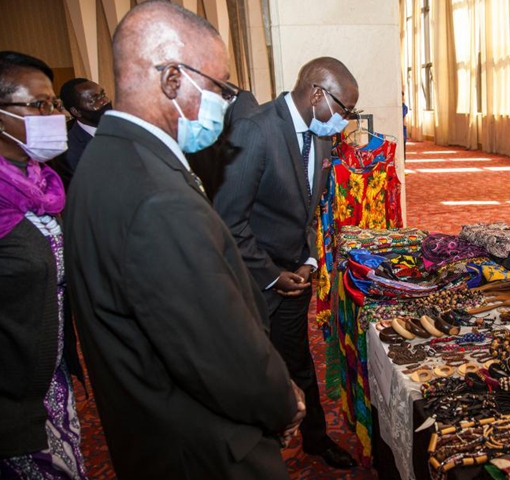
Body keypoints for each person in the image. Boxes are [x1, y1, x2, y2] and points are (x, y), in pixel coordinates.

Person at [63, 3, 303, 479]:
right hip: (205, 451)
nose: (226, 104)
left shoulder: (107, 160)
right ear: (174, 79)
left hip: (150, 428)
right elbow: (217, 350)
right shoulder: (156, 197)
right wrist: (281, 401)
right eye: (220, 88)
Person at [214, 57, 358, 469]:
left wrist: (309, 260)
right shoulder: (255, 131)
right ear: (317, 94)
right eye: (344, 110)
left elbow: (307, 210)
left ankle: (314, 439)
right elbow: (228, 221)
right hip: (252, 280)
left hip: (296, 273)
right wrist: (271, 275)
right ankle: (257, 452)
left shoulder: (322, 135)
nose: (344, 122)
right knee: (253, 369)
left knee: (299, 363)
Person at [0, 51, 86, 479]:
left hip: (50, 379)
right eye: (38, 105)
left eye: (53, 104)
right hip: (9, 400)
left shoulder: (44, 183)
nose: (52, 115)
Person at [186, 88, 258, 202]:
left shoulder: (239, 99)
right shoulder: (191, 98)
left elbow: (246, 145)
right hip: (214, 184)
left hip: (226, 188)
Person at [55, 78, 112, 189]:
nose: (104, 101)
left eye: (103, 94)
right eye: (94, 100)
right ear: (76, 111)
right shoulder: (69, 151)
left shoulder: (125, 128)